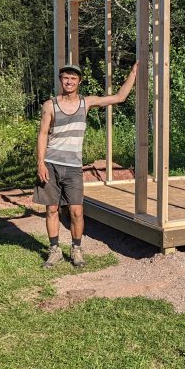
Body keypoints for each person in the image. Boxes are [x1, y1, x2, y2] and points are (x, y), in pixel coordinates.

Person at [35, 62, 138, 268]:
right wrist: (40, 163)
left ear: (79, 81)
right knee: (52, 209)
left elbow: (119, 97)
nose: (69, 81)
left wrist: (134, 72)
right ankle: (54, 250)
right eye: (66, 78)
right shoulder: (50, 105)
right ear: (61, 80)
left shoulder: (86, 102)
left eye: (73, 78)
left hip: (73, 166)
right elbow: (43, 134)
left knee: (77, 211)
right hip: (51, 164)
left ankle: (76, 250)